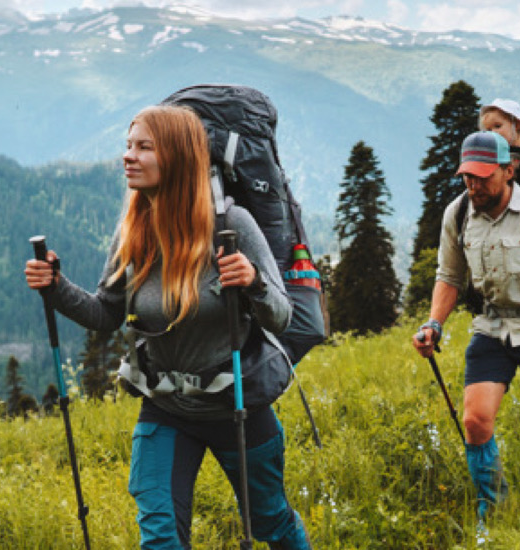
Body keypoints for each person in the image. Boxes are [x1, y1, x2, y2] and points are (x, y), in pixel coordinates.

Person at [25, 105, 310, 549]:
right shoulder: (135, 231)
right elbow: (106, 314)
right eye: (127, 146)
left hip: (238, 403)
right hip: (165, 408)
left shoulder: (231, 226)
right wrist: (56, 286)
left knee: (270, 523)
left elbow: (282, 315)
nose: (128, 156)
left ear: (176, 156)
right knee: (160, 538)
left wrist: (252, 281)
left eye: (143, 147)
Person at [411, 130, 520, 523]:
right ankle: (494, 510)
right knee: (474, 420)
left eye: (482, 176)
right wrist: (433, 324)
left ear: (509, 170)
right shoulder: (457, 215)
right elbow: (449, 277)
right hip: (491, 328)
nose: (473, 185)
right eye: (467, 177)